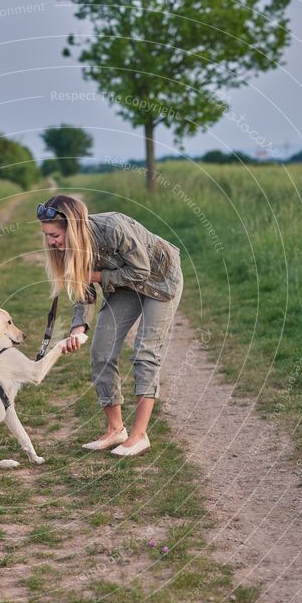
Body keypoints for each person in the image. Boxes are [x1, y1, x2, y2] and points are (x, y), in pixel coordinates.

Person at [37, 194, 183, 456]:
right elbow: (83, 289)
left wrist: (96, 276)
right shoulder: (67, 249)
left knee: (145, 352)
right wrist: (78, 328)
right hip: (126, 286)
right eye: (47, 235)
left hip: (160, 280)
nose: (50, 241)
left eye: (54, 235)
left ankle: (139, 436)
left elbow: (141, 271)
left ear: (74, 228)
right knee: (101, 350)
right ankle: (116, 430)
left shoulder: (112, 227)